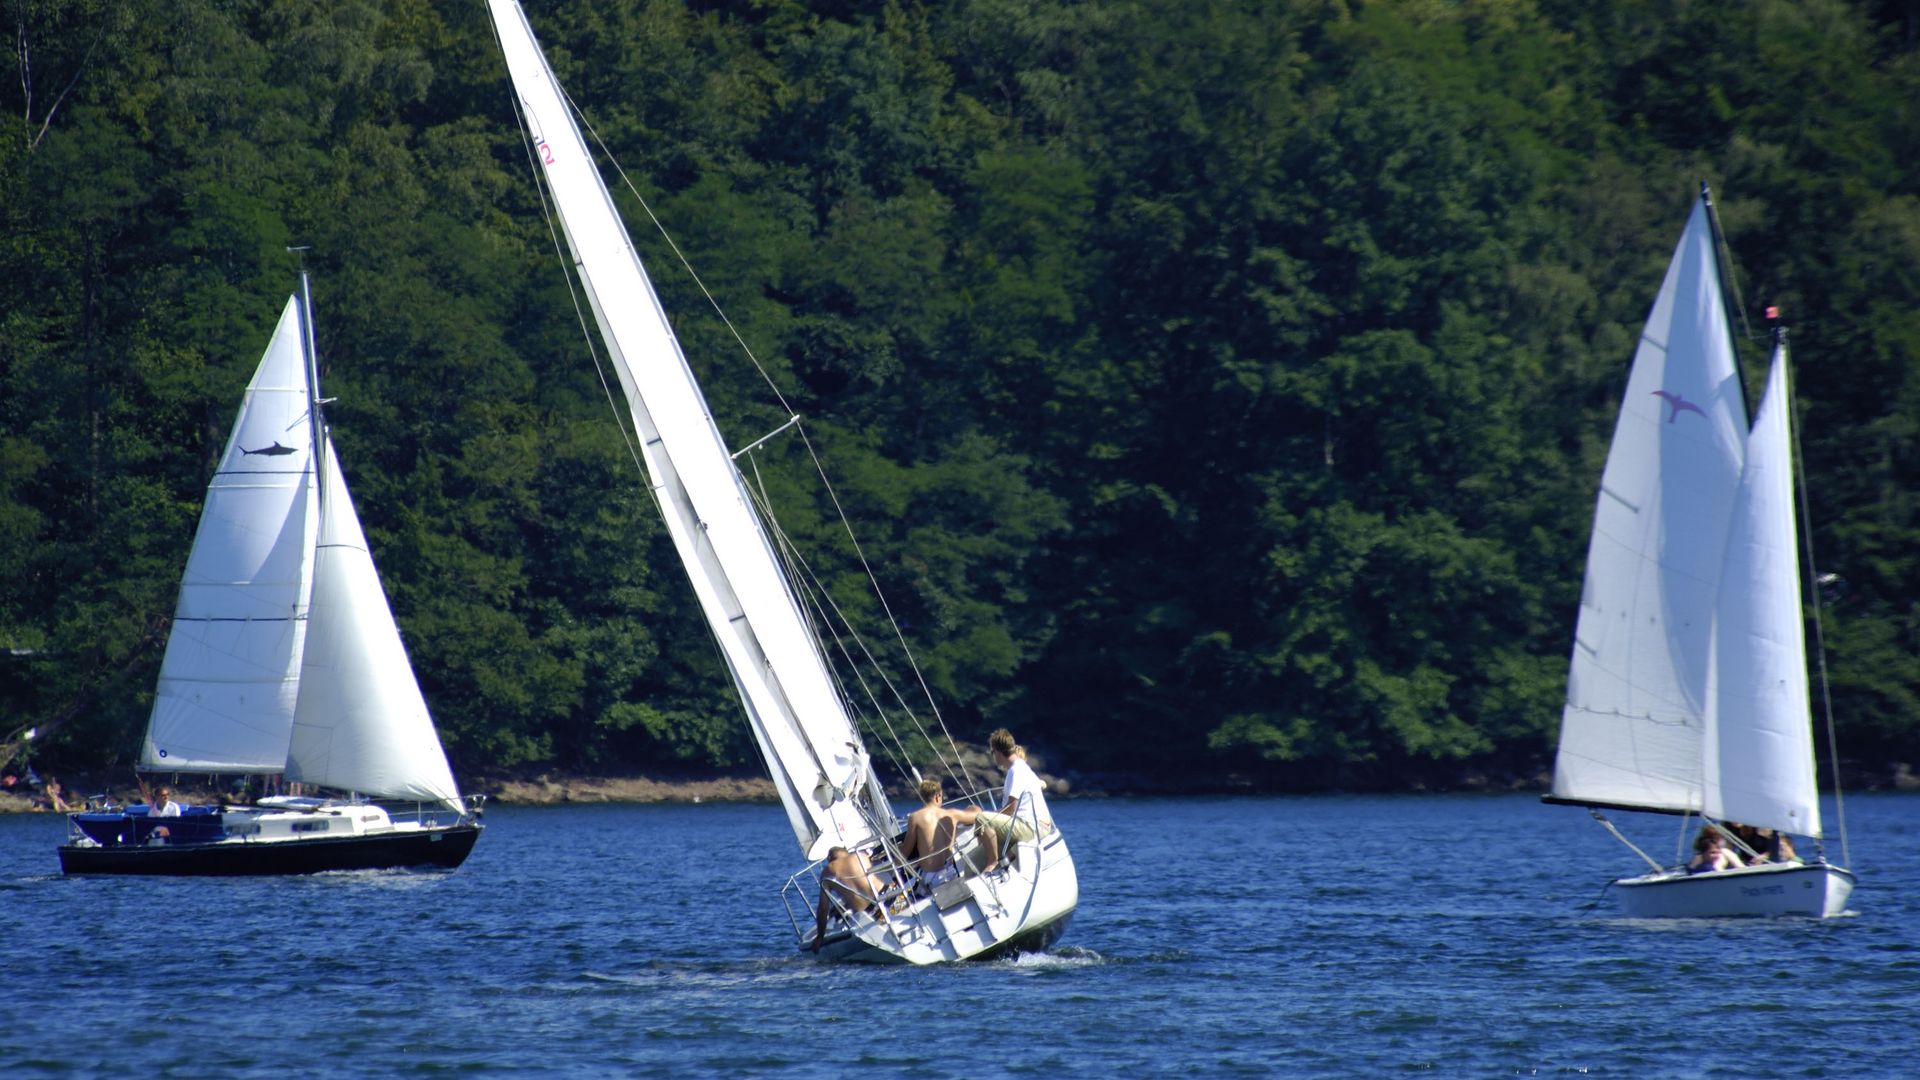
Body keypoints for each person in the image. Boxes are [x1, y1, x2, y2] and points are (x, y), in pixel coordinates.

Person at [971, 728, 1056, 873]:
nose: (993, 756)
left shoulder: (1015, 771)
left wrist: (989, 818)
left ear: (997, 752)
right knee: (975, 857)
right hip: (1041, 825)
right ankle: (1006, 856)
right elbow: (1041, 784)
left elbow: (1011, 809)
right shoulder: (1023, 767)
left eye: (992, 752)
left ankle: (993, 863)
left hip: (1030, 827)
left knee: (982, 818)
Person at [899, 779, 979, 893]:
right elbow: (977, 815)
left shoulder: (915, 817)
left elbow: (906, 851)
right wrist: (974, 807)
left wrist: (894, 867)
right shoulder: (952, 814)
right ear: (938, 796)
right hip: (950, 873)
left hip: (930, 877)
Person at [811, 846, 886, 953]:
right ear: (845, 852)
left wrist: (820, 936)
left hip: (871, 915)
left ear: (829, 858)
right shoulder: (861, 856)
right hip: (890, 900)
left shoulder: (828, 870)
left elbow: (823, 908)